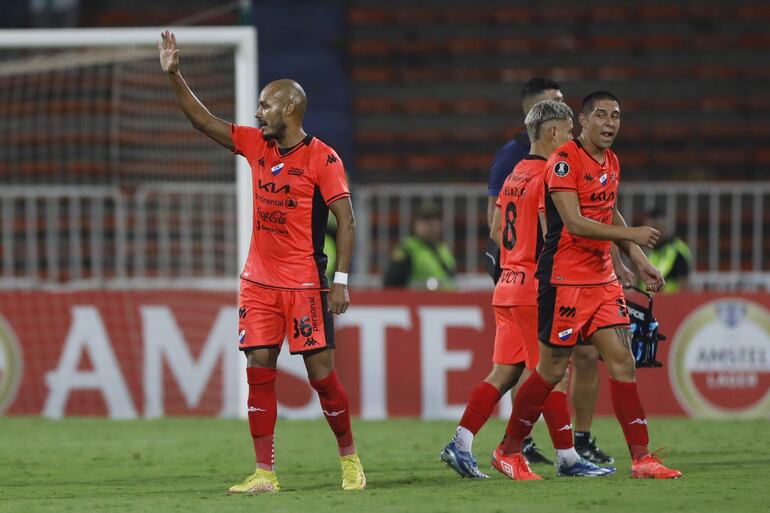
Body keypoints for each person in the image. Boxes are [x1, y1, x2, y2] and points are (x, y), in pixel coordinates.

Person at [158, 30, 366, 493]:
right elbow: (204, 122)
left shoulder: (322, 158)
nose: (257, 113)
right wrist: (175, 76)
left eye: (265, 105)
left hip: (306, 284)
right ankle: (265, 472)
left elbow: (346, 219)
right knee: (258, 369)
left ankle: (350, 459)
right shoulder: (257, 145)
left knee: (322, 377)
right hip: (259, 282)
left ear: (290, 108)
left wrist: (341, 280)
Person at [493, 91, 682, 480]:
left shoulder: (611, 161)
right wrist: (631, 233)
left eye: (616, 115)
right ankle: (508, 450)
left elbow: (606, 207)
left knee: (624, 362)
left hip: (601, 280)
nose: (610, 122)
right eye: (601, 115)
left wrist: (639, 260)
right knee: (550, 371)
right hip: (563, 280)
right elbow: (576, 222)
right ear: (582, 121)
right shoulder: (562, 163)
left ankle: (642, 459)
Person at [441, 100, 614, 479]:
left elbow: (495, 229)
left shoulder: (516, 172)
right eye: (569, 133)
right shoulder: (551, 174)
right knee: (551, 372)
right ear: (554, 133)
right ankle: (567, 458)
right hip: (535, 285)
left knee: (503, 374)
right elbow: (556, 230)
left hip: (506, 284)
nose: (571, 140)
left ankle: (461, 442)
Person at [485, 77, 613, 465]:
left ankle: (574, 442)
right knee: (544, 366)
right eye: (557, 106)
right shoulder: (526, 161)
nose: (570, 117)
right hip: (546, 275)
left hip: (530, 276)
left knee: (534, 366)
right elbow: (513, 223)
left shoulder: (538, 164)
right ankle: (546, 450)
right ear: (539, 116)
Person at [383, 202, 457, 290]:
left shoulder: (444, 250)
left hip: (445, 301)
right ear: (415, 225)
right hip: (418, 301)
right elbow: (392, 283)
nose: (430, 225)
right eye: (425, 220)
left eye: (434, 221)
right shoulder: (407, 250)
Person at [639, 207, 692, 292]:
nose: (648, 234)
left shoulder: (678, 251)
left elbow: (684, 286)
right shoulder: (650, 251)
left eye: (653, 228)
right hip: (646, 302)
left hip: (670, 303)